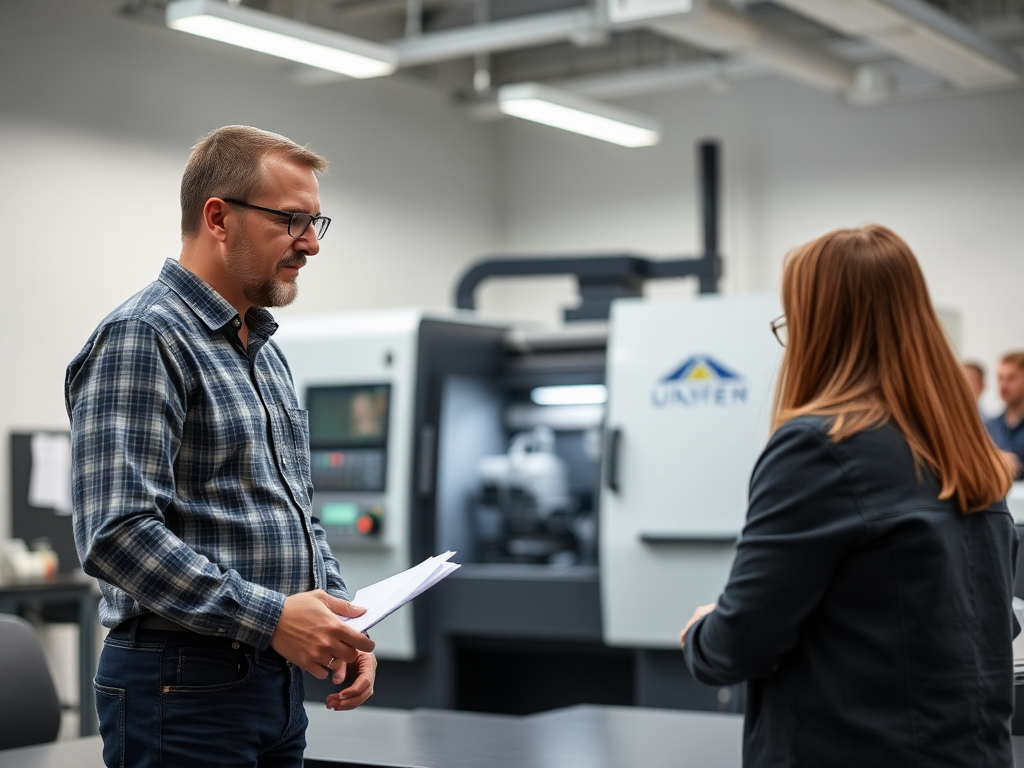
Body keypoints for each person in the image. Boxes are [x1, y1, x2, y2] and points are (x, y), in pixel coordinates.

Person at [66, 126, 376, 767]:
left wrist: (343, 623)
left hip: (270, 684)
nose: (312, 243)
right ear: (218, 218)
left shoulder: (265, 352)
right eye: (293, 220)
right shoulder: (143, 337)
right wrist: (271, 617)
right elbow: (116, 533)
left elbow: (296, 514)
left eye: (318, 222)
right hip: (181, 686)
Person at [680, 225, 1017, 767]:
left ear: (818, 328)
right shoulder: (965, 450)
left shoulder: (818, 446)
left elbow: (741, 642)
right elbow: (974, 623)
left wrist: (703, 629)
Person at [985, 351, 1024, 480]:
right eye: (1000, 378)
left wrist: (1017, 468)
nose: (1003, 386)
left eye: (1011, 378)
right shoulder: (991, 425)